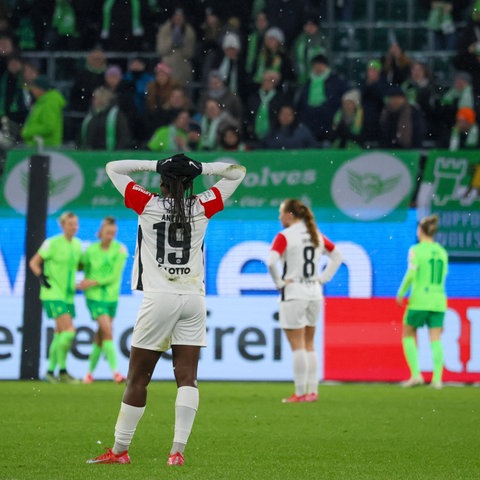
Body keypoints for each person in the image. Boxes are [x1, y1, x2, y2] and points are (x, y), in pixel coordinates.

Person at [86, 153, 246, 466]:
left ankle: (119, 451)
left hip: (159, 296)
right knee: (187, 377)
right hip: (193, 298)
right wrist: (201, 169)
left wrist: (154, 164)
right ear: (190, 184)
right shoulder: (201, 205)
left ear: (161, 182)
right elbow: (237, 172)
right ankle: (177, 452)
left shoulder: (147, 203)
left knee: (138, 379)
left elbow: (112, 168)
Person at [267, 199, 342, 403]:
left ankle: (299, 393)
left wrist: (279, 283)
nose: (279, 217)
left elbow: (271, 261)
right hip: (314, 292)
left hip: (294, 293)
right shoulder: (315, 233)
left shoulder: (284, 236)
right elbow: (337, 256)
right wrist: (323, 278)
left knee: (298, 346)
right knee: (310, 344)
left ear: (290, 215)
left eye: (281, 212)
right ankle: (313, 391)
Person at [28, 211, 83, 384]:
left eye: (75, 224)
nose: (73, 227)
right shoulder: (51, 243)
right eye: (70, 224)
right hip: (53, 294)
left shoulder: (77, 244)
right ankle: (63, 371)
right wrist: (41, 277)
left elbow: (77, 266)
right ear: (62, 225)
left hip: (68, 295)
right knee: (69, 331)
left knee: (60, 334)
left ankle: (50, 371)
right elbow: (34, 262)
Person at [396, 214, 448, 390]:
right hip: (439, 299)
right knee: (436, 338)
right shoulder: (442, 252)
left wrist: (401, 293)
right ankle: (438, 380)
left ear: (420, 230)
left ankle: (416, 375)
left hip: (420, 299)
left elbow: (411, 274)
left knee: (408, 333)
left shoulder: (416, 250)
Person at [77, 216, 128, 384]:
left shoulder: (120, 250)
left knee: (101, 336)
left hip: (112, 297)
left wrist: (92, 281)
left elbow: (114, 276)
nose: (110, 236)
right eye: (108, 233)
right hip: (94, 297)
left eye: (113, 233)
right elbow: (79, 265)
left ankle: (88, 374)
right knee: (107, 331)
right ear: (101, 233)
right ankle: (116, 373)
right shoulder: (91, 250)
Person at [79, 86, 132, 150]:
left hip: (111, 155)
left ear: (103, 99)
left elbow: (124, 137)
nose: (93, 101)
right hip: (92, 154)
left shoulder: (117, 116)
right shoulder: (90, 115)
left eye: (95, 98)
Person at [20, 75, 66, 147]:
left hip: (47, 148)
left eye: (34, 87)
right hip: (40, 147)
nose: (32, 90)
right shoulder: (43, 101)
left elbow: (49, 127)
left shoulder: (50, 102)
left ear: (41, 89)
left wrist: (27, 132)